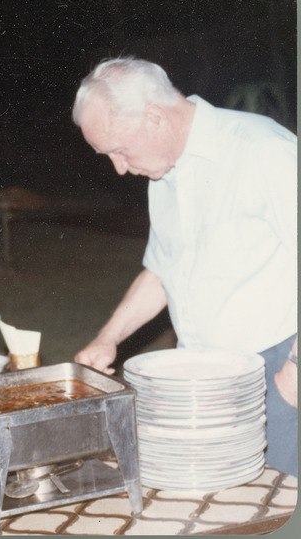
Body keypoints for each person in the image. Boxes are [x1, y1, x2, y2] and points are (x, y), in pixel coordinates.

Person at [72, 56, 297, 477]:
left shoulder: (264, 151)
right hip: (199, 375)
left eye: (120, 150)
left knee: (275, 507)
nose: (119, 169)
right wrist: (108, 339)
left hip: (276, 370)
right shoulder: (165, 173)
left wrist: (294, 376)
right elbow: (161, 270)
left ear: (155, 117)